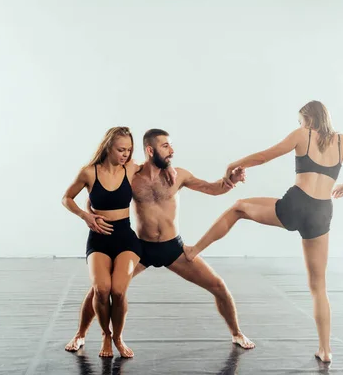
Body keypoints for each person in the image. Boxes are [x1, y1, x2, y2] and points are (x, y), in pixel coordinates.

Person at [183, 101, 343, 364]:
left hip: (296, 205)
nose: (300, 126)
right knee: (319, 287)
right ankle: (326, 350)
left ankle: (193, 250)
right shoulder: (342, 142)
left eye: (300, 121)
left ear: (308, 119)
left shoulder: (302, 135)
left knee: (238, 207)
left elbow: (265, 156)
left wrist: (233, 164)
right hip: (322, 212)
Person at [65, 128, 255, 354]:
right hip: (140, 248)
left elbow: (212, 189)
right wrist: (89, 215)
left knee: (218, 286)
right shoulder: (132, 175)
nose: (171, 151)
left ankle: (236, 332)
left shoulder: (178, 175)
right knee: (98, 290)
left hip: (172, 247)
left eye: (170, 145)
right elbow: (99, 195)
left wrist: (229, 181)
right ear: (149, 150)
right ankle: (81, 334)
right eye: (166, 146)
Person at [61, 126, 176, 358]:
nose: (125, 154)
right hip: (99, 239)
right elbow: (66, 198)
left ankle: (118, 337)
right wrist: (86, 216)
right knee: (101, 290)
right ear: (108, 147)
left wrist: (170, 166)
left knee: (119, 290)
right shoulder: (89, 172)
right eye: (121, 149)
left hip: (126, 239)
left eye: (129, 150)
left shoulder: (131, 168)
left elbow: (157, 163)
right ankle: (104, 334)